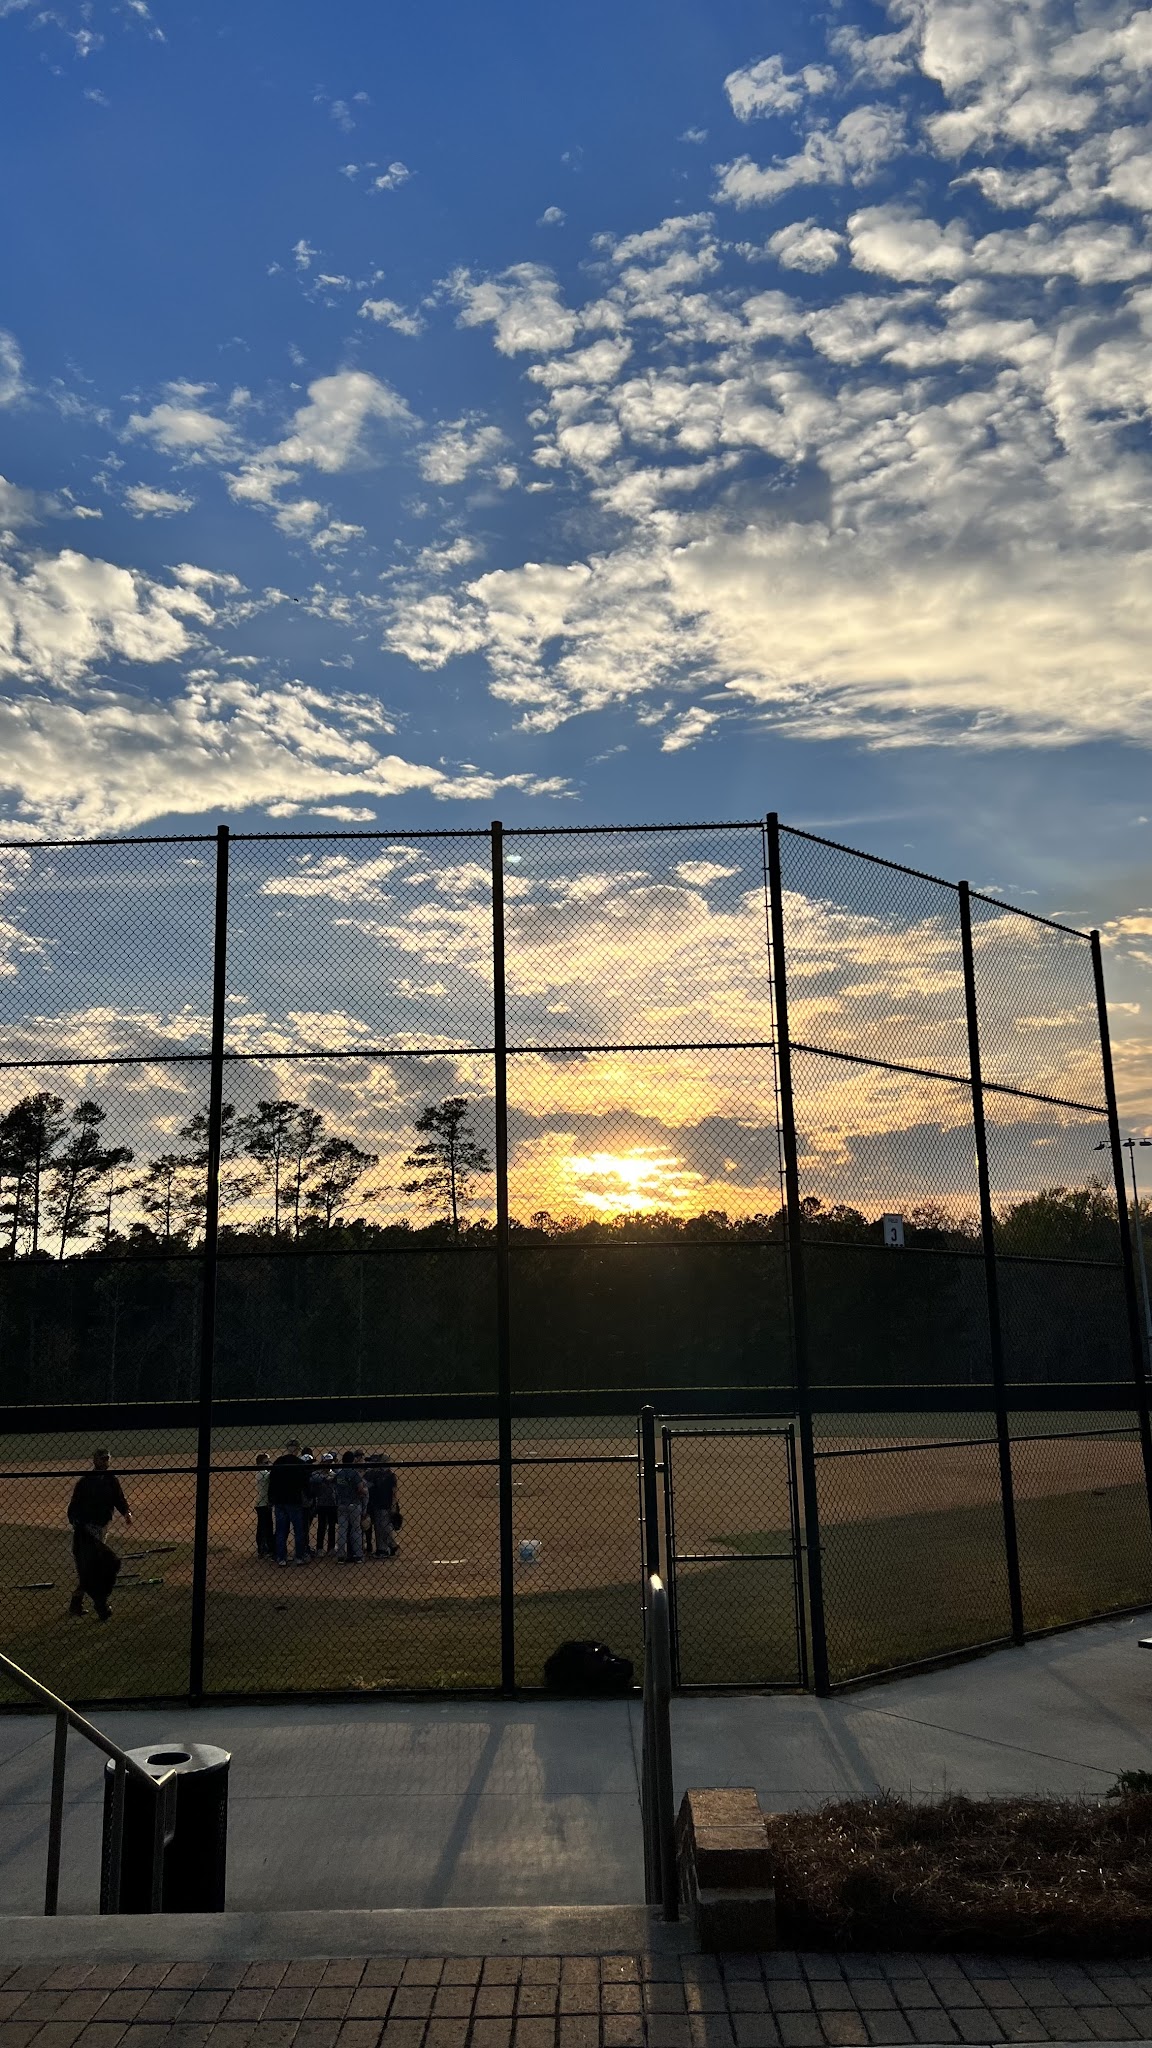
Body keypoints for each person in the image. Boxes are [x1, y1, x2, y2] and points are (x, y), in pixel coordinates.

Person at [67, 1449, 132, 1621]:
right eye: (102, 1459)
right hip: (88, 1528)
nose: (104, 1462)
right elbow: (73, 1507)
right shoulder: (85, 1481)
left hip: (102, 1526)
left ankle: (77, 1601)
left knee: (91, 1567)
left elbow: (119, 1498)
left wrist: (126, 1512)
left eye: (107, 1459)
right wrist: (77, 1523)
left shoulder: (111, 1480)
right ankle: (97, 1604)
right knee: (94, 1566)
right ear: (95, 1460)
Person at [268, 1439, 311, 1565]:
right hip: (294, 1501)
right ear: (297, 1449)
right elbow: (305, 1484)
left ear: (287, 1448)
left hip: (279, 1501)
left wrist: (271, 1498)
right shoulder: (300, 1463)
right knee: (298, 1530)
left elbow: (272, 1482)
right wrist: (308, 1497)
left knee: (281, 1531)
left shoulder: (278, 1462)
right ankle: (299, 1557)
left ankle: (281, 1558)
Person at [334, 1450, 368, 1561]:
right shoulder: (354, 1473)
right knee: (356, 1529)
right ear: (352, 1460)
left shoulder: (339, 1473)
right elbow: (360, 1489)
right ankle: (358, 1555)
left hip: (341, 1504)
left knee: (342, 1530)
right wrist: (365, 1490)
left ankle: (341, 1556)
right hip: (354, 1504)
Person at [366, 1454, 399, 1558]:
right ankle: (382, 1550)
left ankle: (393, 1546)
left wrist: (393, 1506)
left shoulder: (390, 1476)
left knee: (385, 1527)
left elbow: (394, 1493)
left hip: (386, 1505)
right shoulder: (375, 1475)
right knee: (378, 1528)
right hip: (377, 1504)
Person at [310, 1452, 337, 1554]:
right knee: (321, 1526)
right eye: (326, 1462)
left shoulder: (334, 1474)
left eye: (330, 1462)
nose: (328, 1464)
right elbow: (313, 1479)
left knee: (332, 1526)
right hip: (321, 1504)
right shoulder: (317, 1474)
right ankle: (320, 1548)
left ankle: (331, 1548)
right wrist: (325, 1478)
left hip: (332, 1504)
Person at [255, 1452, 274, 1558]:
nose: (268, 1464)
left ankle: (263, 1549)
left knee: (264, 1526)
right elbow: (272, 1475)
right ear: (259, 1464)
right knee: (264, 1527)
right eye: (266, 1462)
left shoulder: (263, 1472)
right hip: (262, 1504)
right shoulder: (262, 1473)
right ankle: (263, 1549)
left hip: (263, 1503)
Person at [300, 1446, 317, 1555]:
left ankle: (304, 1547)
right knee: (304, 1527)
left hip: (300, 1503)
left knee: (303, 1527)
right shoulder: (312, 1473)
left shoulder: (298, 1472)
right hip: (307, 1503)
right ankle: (304, 1548)